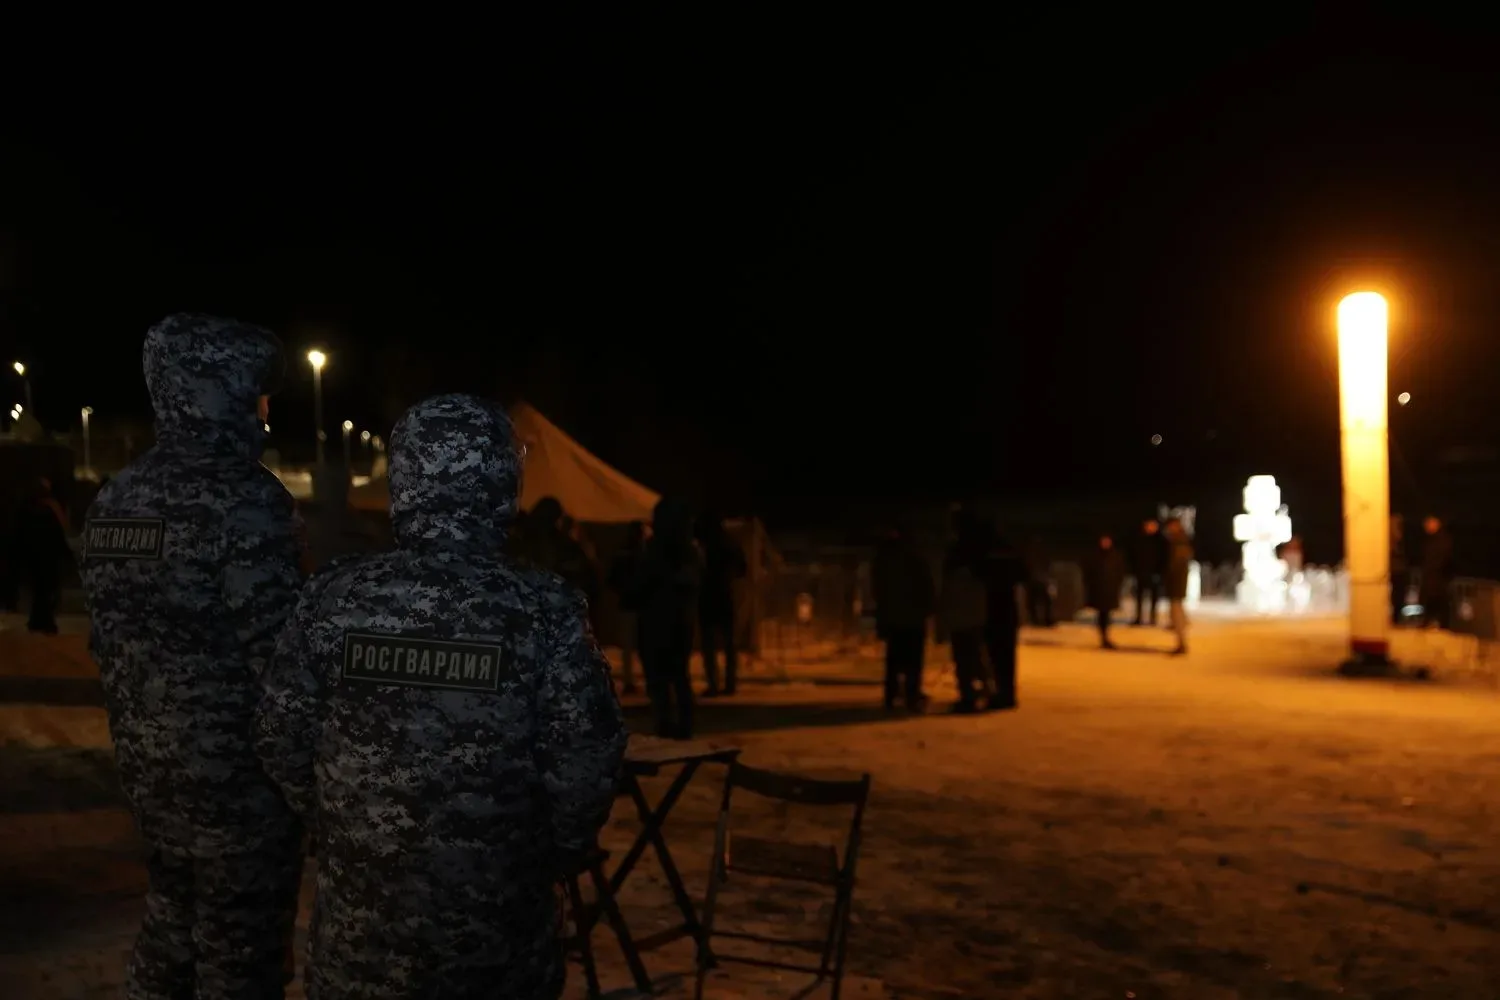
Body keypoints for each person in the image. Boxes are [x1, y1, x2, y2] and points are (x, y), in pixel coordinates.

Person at [255, 394, 626, 999]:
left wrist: (347, 826)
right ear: (502, 483)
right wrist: (545, 854)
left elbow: (279, 734)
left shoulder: (335, 599)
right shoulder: (542, 610)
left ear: (405, 481)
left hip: (362, 943)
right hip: (497, 943)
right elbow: (588, 761)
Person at [79, 314, 305, 999]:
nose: (265, 410)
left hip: (149, 771)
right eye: (257, 392)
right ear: (224, 392)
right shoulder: (244, 499)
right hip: (239, 786)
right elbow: (281, 664)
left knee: (171, 928)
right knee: (241, 957)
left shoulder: (116, 498)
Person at [635, 496, 700, 738]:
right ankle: (674, 724)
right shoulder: (680, 550)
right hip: (668, 619)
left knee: (668, 677)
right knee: (671, 677)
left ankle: (675, 725)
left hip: (665, 620)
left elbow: (687, 581)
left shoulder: (672, 550)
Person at [872, 523, 935, 713]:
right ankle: (911, 693)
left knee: (894, 658)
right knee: (913, 659)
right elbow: (926, 586)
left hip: (894, 616)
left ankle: (891, 694)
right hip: (912, 616)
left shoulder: (884, 560)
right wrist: (928, 608)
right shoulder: (916, 560)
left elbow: (879, 589)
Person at [939, 509, 990, 713]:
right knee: (975, 654)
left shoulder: (955, 554)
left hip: (961, 612)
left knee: (963, 656)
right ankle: (983, 688)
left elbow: (948, 586)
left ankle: (968, 694)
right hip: (975, 611)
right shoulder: (980, 552)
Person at [695, 510, 746, 697]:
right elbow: (742, 569)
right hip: (725, 594)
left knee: (710, 644)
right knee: (729, 642)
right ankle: (730, 682)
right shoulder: (730, 543)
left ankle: (713, 683)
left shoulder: (704, 545)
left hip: (708, 596)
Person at [979, 527, 1026, 710]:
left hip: (991, 610)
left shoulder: (985, 559)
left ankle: (999, 691)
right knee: (1007, 656)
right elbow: (1024, 575)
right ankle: (1007, 692)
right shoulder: (1012, 558)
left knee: (995, 655)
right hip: (1007, 611)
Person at [17, 476, 71, 634]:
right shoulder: (51, 509)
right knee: (46, 590)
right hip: (47, 557)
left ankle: (38, 620)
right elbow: (58, 534)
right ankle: (43, 620)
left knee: (40, 590)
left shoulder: (28, 509)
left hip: (36, 557)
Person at [607, 520, 648, 695]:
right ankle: (633, 681)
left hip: (634, 604)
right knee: (637, 646)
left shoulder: (632, 555)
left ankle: (632, 680)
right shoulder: (643, 556)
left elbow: (612, 580)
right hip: (639, 605)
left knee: (633, 646)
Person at [1084, 533, 1127, 649]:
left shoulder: (1116, 556)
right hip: (1099, 589)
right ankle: (1103, 637)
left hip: (1110, 589)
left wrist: (1117, 585)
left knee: (1107, 614)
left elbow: (1120, 572)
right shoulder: (1095, 556)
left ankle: (1105, 637)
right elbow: (1088, 572)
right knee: (1102, 614)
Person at [1164, 518, 1194, 655]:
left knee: (1177, 611)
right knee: (1176, 610)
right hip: (1176, 581)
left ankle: (1181, 643)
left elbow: (1177, 564)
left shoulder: (1179, 541)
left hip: (1177, 581)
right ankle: (1181, 641)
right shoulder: (1178, 540)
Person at [1419, 515, 1454, 629]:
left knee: (1437, 602)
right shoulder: (1435, 540)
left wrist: (1434, 570)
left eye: (1429, 523)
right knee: (1434, 602)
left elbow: (1443, 560)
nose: (1426, 526)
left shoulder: (1441, 541)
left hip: (1437, 578)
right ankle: (1432, 623)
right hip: (1435, 578)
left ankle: (1437, 624)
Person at [1130, 519, 1166, 626]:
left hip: (1155, 573)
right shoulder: (1139, 539)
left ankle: (1152, 618)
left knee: (1154, 597)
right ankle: (1138, 617)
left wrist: (1160, 571)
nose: (1150, 528)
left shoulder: (1160, 540)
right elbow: (1134, 555)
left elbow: (1164, 558)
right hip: (1141, 571)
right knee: (1139, 596)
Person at [1021, 536, 1054, 627]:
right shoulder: (1030, 556)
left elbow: (1046, 566)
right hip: (1033, 579)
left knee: (1043, 600)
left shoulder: (1037, 555)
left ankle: (1042, 619)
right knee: (1034, 600)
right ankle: (1037, 619)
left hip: (1038, 579)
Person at [1390, 514, 1409, 625]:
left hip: (1398, 570)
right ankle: (1396, 618)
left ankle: (1396, 618)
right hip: (1396, 570)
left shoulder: (1400, 541)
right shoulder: (1394, 541)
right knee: (1397, 595)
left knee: (1398, 595)